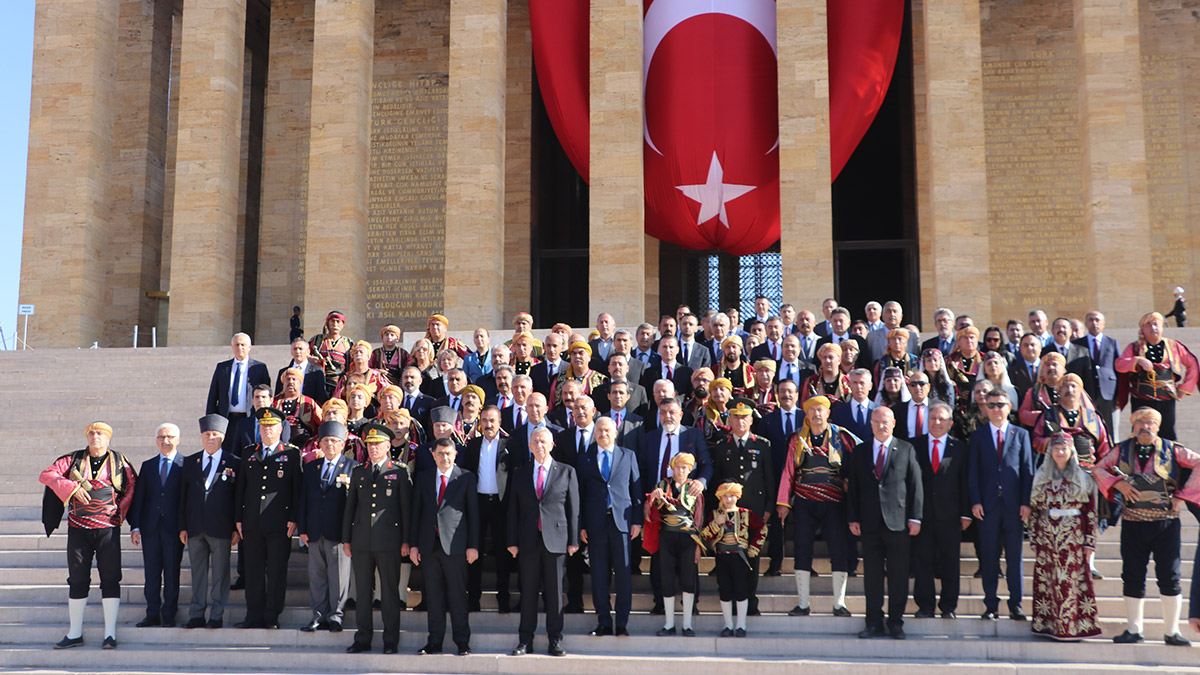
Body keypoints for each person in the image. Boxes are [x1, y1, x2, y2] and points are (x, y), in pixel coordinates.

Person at [1093, 407, 1200, 646]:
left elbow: (1199, 463)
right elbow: (1098, 468)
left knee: (1170, 575)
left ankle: (1172, 631)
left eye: (1151, 422)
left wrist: (1181, 496)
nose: (1145, 426)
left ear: (1158, 426)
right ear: (1133, 425)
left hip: (1166, 524)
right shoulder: (1121, 449)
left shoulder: (1173, 449)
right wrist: (1117, 484)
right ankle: (1134, 628)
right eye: (1140, 422)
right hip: (1133, 523)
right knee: (1132, 574)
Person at [40, 422, 137, 649]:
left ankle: (110, 634)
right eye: (92, 433)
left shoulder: (121, 462)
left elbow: (132, 486)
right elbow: (47, 474)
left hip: (108, 529)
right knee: (77, 579)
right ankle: (75, 633)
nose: (96, 436)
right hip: (78, 529)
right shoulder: (72, 459)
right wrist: (70, 488)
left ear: (108, 439)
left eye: (100, 433)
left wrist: (119, 510)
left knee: (111, 578)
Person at [776, 395, 859, 617]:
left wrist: (850, 482)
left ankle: (839, 603)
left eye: (820, 409)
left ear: (828, 412)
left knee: (838, 550)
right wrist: (783, 502)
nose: (816, 414)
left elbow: (860, 457)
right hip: (804, 500)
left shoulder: (842, 436)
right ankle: (803, 603)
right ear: (806, 414)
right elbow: (788, 471)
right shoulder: (797, 438)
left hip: (835, 502)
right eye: (812, 410)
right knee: (802, 549)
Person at [847, 407, 922, 639]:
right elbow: (852, 489)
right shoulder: (860, 451)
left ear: (894, 423)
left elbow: (915, 485)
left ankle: (896, 622)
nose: (881, 426)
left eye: (886, 421)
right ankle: (873, 622)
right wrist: (853, 517)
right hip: (869, 523)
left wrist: (915, 517)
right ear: (871, 424)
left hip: (898, 523)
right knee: (872, 576)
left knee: (899, 575)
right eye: (877, 422)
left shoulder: (907, 449)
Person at [507, 427, 580, 657]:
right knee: (528, 592)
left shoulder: (566, 472)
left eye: (543, 442)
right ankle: (525, 640)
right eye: (535, 441)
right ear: (529, 446)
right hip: (528, 540)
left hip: (557, 541)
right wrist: (512, 541)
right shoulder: (520, 473)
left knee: (555, 592)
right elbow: (512, 510)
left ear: (552, 445)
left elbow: (573, 509)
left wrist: (574, 540)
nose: (539, 445)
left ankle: (555, 640)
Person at [343, 423, 412, 654]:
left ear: (388, 446)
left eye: (378, 444)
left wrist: (405, 540)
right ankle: (362, 639)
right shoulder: (359, 471)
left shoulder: (399, 472)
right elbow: (350, 508)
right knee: (363, 592)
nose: (373, 449)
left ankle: (390, 641)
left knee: (389, 593)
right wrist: (346, 539)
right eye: (370, 444)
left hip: (389, 541)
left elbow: (405, 510)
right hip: (361, 541)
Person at [967, 389, 1034, 621]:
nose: (996, 409)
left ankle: (1016, 604)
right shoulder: (978, 436)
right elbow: (972, 473)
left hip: (1014, 507)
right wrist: (975, 501)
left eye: (1000, 404)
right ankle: (991, 604)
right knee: (989, 557)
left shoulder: (1021, 435)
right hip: (987, 506)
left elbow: (1027, 470)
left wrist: (1027, 502)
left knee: (1014, 558)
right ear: (985, 408)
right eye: (991, 404)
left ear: (1009, 407)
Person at [233, 406, 302, 629]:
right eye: (263, 426)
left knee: (276, 572)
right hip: (252, 522)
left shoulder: (291, 454)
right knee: (252, 571)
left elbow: (295, 489)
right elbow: (240, 488)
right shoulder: (248, 452)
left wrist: (293, 517)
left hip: (279, 523)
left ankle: (272, 616)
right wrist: (238, 518)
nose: (267, 430)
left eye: (271, 426)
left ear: (280, 428)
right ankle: (253, 615)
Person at [1028, 433, 1101, 640]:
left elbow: (1091, 512)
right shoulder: (1041, 476)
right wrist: (1033, 536)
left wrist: (1089, 542)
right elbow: (1033, 510)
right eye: (1056, 448)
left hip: (1073, 537)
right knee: (1048, 581)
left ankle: (1072, 627)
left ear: (1071, 452)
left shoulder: (1083, 477)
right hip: (1046, 536)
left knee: (1071, 582)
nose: (1060, 452)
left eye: (1064, 448)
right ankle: (1048, 626)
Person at [411, 438, 478, 656]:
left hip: (456, 546)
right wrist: (414, 545)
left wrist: (473, 546)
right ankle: (434, 642)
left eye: (448, 453)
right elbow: (416, 514)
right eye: (440, 453)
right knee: (434, 596)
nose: (445, 457)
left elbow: (473, 514)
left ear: (455, 454)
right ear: (433, 454)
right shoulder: (424, 478)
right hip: (429, 546)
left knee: (458, 596)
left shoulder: (466, 477)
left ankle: (462, 641)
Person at [708, 397, 774, 614]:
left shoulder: (762, 445)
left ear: (751, 419)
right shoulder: (721, 447)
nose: (740, 421)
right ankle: (731, 604)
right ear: (730, 419)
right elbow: (715, 480)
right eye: (735, 417)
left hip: (753, 510)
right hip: (728, 513)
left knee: (751, 558)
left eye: (744, 417)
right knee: (728, 558)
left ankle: (750, 603)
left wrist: (768, 508)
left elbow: (769, 479)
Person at [578, 417, 642, 637]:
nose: (603, 434)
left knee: (623, 574)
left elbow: (636, 491)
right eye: (599, 431)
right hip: (596, 524)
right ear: (594, 433)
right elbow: (581, 495)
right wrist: (582, 525)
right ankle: (603, 622)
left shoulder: (628, 456)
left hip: (622, 523)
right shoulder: (585, 458)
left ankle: (622, 623)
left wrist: (637, 521)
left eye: (607, 430)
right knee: (599, 575)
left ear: (615, 433)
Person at [297, 420, 357, 633]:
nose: (329, 444)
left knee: (339, 577)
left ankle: (336, 616)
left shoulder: (353, 467)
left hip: (339, 533)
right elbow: (304, 499)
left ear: (342, 444)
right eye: (325, 441)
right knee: (316, 576)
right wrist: (302, 528)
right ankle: (318, 615)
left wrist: (350, 534)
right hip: (314, 531)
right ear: (319, 444)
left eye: (334, 440)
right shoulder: (312, 468)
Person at [179, 414, 239, 629]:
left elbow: (237, 498)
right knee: (198, 573)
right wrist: (183, 526)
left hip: (222, 527)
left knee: (221, 574)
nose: (210, 438)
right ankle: (196, 614)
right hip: (195, 526)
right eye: (206, 434)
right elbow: (182, 497)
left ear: (223, 436)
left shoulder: (234, 462)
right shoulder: (190, 461)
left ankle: (216, 615)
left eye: (215, 434)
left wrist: (236, 527)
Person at [911, 402, 970, 618]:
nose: (937, 422)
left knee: (950, 562)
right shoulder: (914, 445)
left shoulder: (960, 448)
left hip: (951, 516)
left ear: (950, 423)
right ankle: (925, 606)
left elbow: (965, 482)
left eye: (942, 419)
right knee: (922, 561)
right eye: (933, 418)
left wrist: (965, 513)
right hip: (922, 515)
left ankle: (948, 607)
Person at [457, 405, 515, 613]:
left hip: (501, 505)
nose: (488, 425)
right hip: (477, 504)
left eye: (492, 420)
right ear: (479, 423)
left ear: (500, 422)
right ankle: (473, 599)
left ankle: (503, 599)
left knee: (502, 554)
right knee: (474, 552)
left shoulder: (510, 445)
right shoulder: (472, 445)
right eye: (484, 421)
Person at [129, 423, 185, 627]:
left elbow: (187, 500)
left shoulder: (185, 464)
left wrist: (185, 527)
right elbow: (140, 498)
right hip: (150, 528)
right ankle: (152, 613)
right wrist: (135, 526)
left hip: (174, 530)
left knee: (172, 573)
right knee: (151, 574)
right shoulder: (148, 465)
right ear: (156, 440)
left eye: (170, 437)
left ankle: (169, 614)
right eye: (161, 437)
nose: (166, 441)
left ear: (178, 439)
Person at [644, 452, 705, 637]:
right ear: (672, 467)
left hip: (688, 538)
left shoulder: (694, 487)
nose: (680, 470)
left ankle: (687, 625)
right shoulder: (662, 485)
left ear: (690, 469)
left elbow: (699, 519)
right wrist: (653, 499)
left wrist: (698, 547)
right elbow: (648, 513)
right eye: (677, 467)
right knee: (667, 579)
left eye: (684, 467)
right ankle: (669, 624)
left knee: (688, 580)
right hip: (667, 537)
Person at [1115, 311, 1198, 441]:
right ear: (1142, 328)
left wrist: (1184, 388)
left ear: (1162, 327)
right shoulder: (1134, 347)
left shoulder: (1174, 346)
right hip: (1141, 400)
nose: (1153, 327)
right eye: (1148, 324)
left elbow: (1193, 364)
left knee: (1168, 436)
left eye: (1156, 324)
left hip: (1166, 400)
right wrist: (1137, 361)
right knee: (1140, 435)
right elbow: (1119, 364)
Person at [702, 482, 766, 637]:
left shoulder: (745, 513)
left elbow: (762, 528)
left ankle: (741, 625)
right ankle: (728, 625)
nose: (729, 499)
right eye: (725, 496)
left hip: (739, 556)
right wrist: (716, 524)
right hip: (722, 556)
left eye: (732, 496)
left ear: (737, 497)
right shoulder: (715, 514)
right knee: (724, 589)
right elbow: (705, 535)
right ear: (720, 498)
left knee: (741, 588)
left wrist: (754, 548)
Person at [1068, 311, 1119, 437]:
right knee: (1088, 427)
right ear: (1086, 323)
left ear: (1104, 324)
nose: (1094, 323)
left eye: (1097, 320)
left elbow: (1118, 368)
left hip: (1108, 393)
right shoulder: (1077, 344)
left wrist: (1119, 395)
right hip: (1086, 393)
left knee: (1110, 430)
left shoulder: (1112, 342)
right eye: (1090, 320)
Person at [206, 332, 271, 420]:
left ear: (249, 347)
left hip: (250, 417)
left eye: (243, 345)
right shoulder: (222, 368)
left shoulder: (259, 368)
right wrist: (210, 420)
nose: (240, 348)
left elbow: (266, 394)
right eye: (237, 345)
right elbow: (213, 395)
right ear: (232, 347)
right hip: (226, 419)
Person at [273, 367, 324, 448]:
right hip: (279, 445)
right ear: (283, 383)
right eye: (288, 379)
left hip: (304, 445)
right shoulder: (274, 402)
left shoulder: (309, 402)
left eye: (294, 379)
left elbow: (322, 422)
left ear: (300, 383)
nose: (291, 382)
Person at [1018, 351, 1070, 430]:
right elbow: (1022, 415)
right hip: (1042, 436)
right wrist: (1043, 417)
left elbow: (1087, 414)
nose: (1051, 368)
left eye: (1054, 364)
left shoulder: (1072, 388)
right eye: (1047, 365)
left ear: (1063, 369)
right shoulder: (1034, 391)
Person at [309, 311, 353, 398]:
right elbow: (304, 354)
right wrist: (310, 358)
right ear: (327, 323)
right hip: (319, 381)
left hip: (339, 383)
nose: (335, 324)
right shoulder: (317, 340)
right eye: (332, 321)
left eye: (338, 321)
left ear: (342, 324)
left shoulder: (348, 343)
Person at [276, 337, 328, 404]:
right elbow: (278, 395)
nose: (298, 351)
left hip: (308, 408)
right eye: (295, 349)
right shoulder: (283, 372)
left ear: (308, 351)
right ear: (291, 351)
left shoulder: (316, 371)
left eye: (300, 349)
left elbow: (321, 395)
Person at [830, 369, 878, 441]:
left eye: (862, 383)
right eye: (855, 383)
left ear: (870, 386)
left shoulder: (879, 411)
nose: (858, 387)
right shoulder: (839, 413)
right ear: (849, 385)